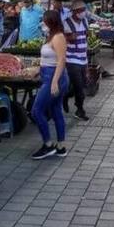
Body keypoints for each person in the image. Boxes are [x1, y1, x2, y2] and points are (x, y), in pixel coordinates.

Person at [31, 10, 69, 160]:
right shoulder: (51, 36)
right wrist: (38, 70)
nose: (42, 24)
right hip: (48, 75)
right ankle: (60, 146)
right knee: (55, 110)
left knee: (36, 110)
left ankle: (48, 145)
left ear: (50, 22)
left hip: (55, 78)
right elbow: (48, 59)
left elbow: (61, 60)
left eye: (44, 21)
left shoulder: (59, 37)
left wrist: (54, 81)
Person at [62, 0, 90, 121]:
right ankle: (80, 110)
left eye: (83, 10)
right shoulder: (66, 23)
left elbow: (86, 37)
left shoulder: (85, 21)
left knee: (80, 85)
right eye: (80, 11)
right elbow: (62, 37)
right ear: (74, 12)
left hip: (83, 58)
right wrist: (69, 37)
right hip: (72, 59)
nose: (82, 13)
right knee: (79, 87)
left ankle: (65, 96)